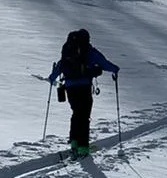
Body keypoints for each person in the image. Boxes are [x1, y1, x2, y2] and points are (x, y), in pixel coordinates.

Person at [46, 28, 119, 157]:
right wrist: (115, 69)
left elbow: (59, 67)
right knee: (84, 116)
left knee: (76, 114)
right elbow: (104, 63)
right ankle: (83, 148)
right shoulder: (89, 51)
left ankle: (74, 142)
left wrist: (53, 78)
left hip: (70, 88)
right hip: (84, 87)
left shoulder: (68, 50)